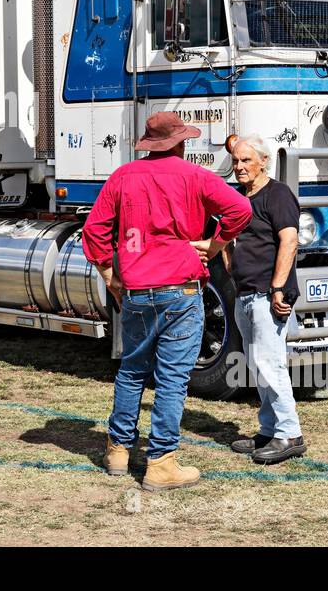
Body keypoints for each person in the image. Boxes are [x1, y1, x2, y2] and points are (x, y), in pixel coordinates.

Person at [83, 112, 252, 491]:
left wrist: (110, 275)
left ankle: (118, 450)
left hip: (137, 289)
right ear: (181, 143)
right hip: (181, 285)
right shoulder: (195, 176)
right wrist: (215, 243)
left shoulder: (123, 177)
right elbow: (240, 210)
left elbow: (93, 231)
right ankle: (160, 462)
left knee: (132, 370)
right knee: (172, 379)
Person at [226, 133, 306, 464]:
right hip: (245, 293)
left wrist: (277, 288)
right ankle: (269, 428)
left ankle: (290, 434)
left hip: (266, 294)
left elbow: (289, 241)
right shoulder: (240, 197)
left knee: (270, 364)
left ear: (263, 162)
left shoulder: (278, 194)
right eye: (235, 161)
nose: (240, 167)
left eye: (246, 160)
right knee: (257, 364)